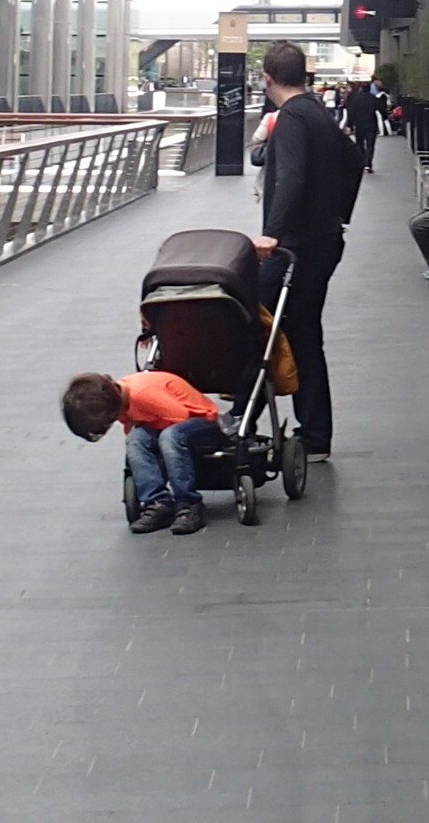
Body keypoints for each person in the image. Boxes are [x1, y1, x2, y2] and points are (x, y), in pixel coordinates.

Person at [258, 40, 362, 455]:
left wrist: (272, 233)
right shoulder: (318, 112)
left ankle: (241, 408)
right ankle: (315, 434)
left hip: (296, 247)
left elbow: (292, 178)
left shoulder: (290, 119)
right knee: (303, 333)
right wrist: (338, 213)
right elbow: (353, 160)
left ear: (267, 78)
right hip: (323, 240)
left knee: (253, 315)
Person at [60, 368, 224, 535]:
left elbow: (180, 416)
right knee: (135, 439)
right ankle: (157, 502)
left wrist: (151, 435)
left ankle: (188, 503)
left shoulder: (142, 394)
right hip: (165, 423)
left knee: (169, 437)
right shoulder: (120, 400)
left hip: (200, 421)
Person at [340, 74, 380, 170]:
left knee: (360, 143)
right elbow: (380, 109)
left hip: (359, 124)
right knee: (370, 145)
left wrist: (350, 125)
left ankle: (362, 161)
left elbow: (351, 112)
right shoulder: (373, 98)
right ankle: (368, 163)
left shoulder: (356, 100)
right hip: (371, 123)